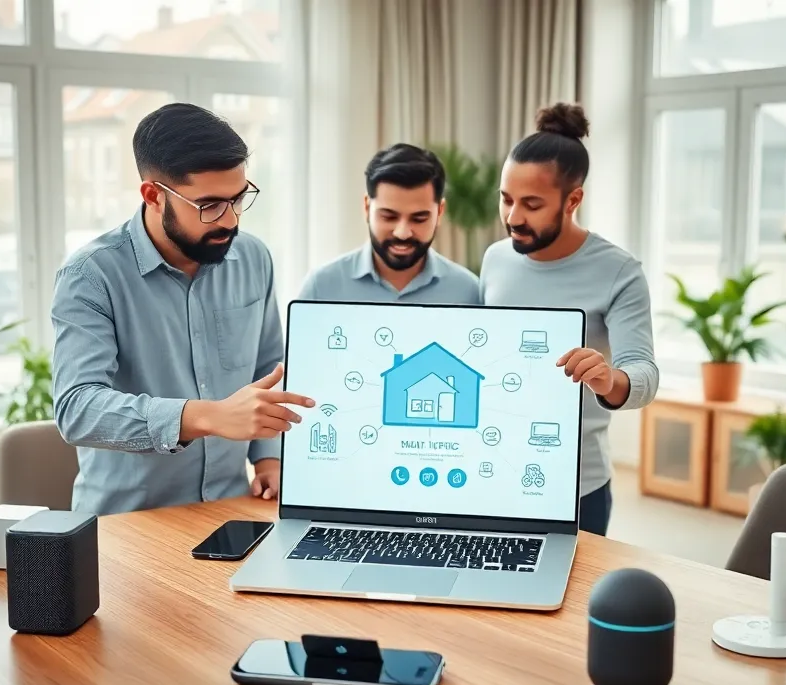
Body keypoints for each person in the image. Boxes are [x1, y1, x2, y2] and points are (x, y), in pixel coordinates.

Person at [50, 102, 314, 517]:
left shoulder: (254, 258)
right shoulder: (91, 275)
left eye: (239, 198)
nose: (230, 221)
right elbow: (77, 409)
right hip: (128, 525)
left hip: (230, 511)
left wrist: (268, 458)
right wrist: (208, 417)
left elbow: (269, 367)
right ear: (154, 196)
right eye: (209, 205)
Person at [479, 103, 659, 536]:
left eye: (532, 204)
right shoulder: (495, 259)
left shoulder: (619, 271)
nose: (513, 218)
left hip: (579, 486)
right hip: (492, 470)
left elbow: (645, 375)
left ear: (573, 200)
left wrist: (607, 379)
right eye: (506, 200)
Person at [297, 143, 481, 304]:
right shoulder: (321, 288)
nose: (402, 233)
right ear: (367, 208)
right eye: (389, 217)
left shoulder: (469, 292)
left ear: (440, 212)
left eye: (419, 219)